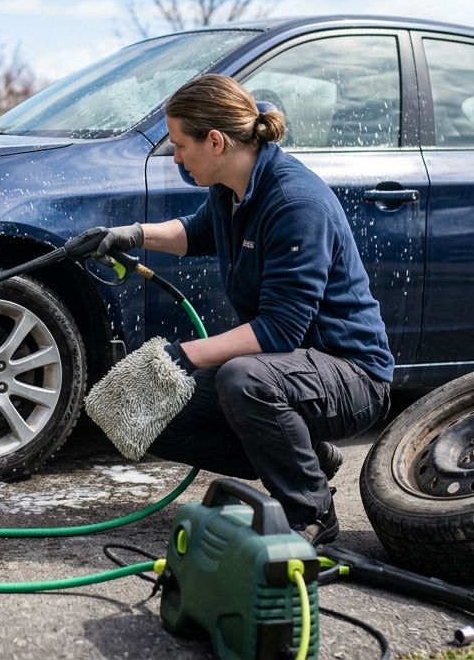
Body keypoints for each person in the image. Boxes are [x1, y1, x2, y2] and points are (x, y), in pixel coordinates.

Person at [93, 74, 394, 544]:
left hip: (350, 374)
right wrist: (129, 234)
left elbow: (279, 331)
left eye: (178, 145)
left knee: (241, 379)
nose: (176, 157)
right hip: (287, 372)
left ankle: (309, 513)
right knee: (148, 408)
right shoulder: (232, 188)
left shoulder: (294, 203)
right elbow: (196, 233)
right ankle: (308, 454)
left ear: (214, 141)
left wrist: (184, 355)